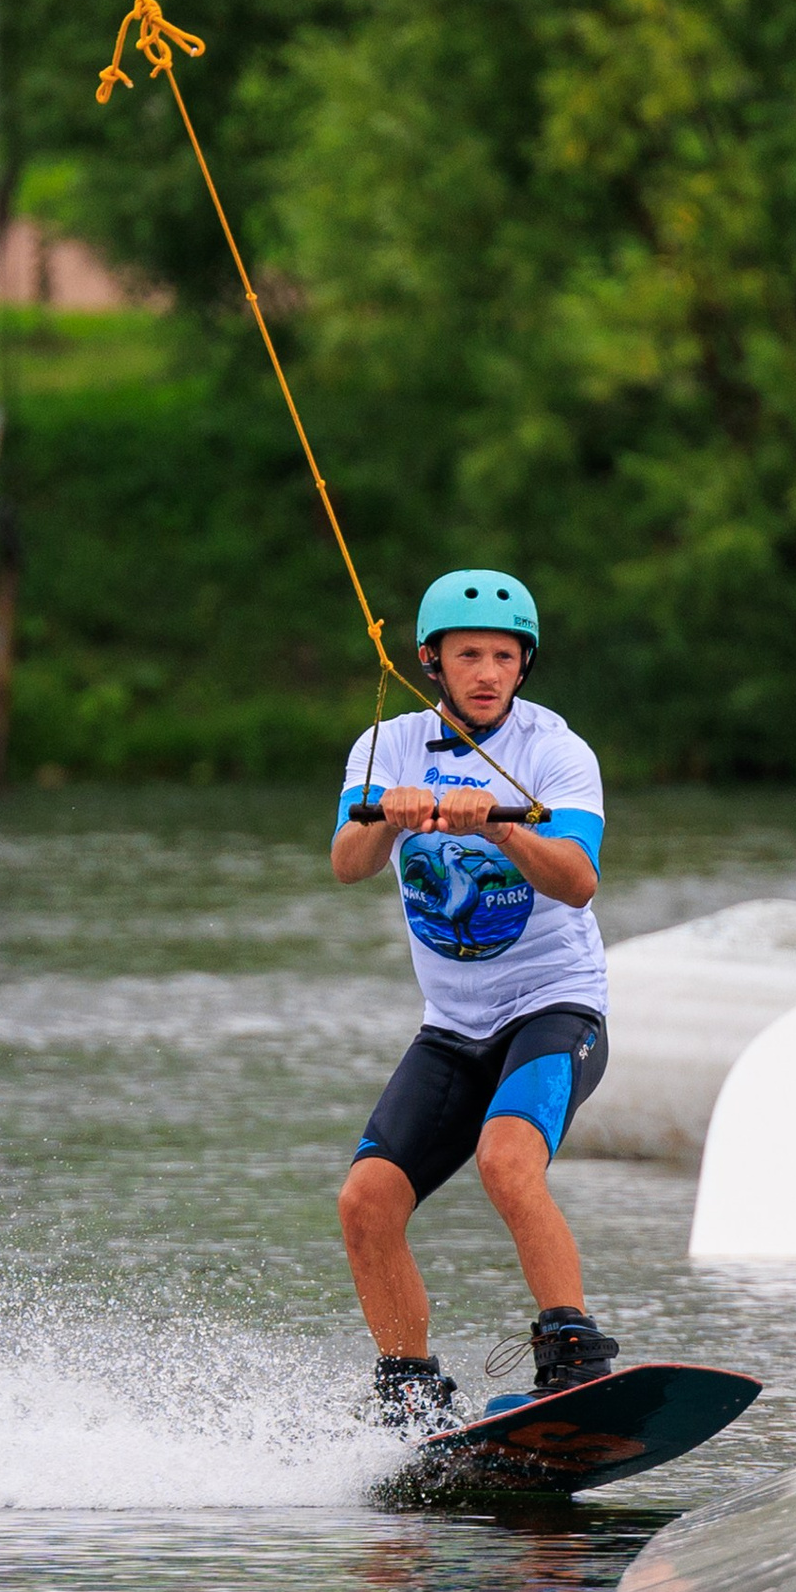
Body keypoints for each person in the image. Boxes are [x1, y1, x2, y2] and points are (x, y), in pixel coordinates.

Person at [331, 566, 617, 1432]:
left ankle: (572, 1356)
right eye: (469, 656)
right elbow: (347, 862)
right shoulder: (387, 747)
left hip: (554, 1009)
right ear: (432, 662)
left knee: (505, 1160)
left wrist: (498, 821)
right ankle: (410, 1389)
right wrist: (391, 815)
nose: (488, 673)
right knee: (365, 1200)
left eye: (504, 656)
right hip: (453, 1029)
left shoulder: (557, 753)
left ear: (523, 665)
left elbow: (577, 881)